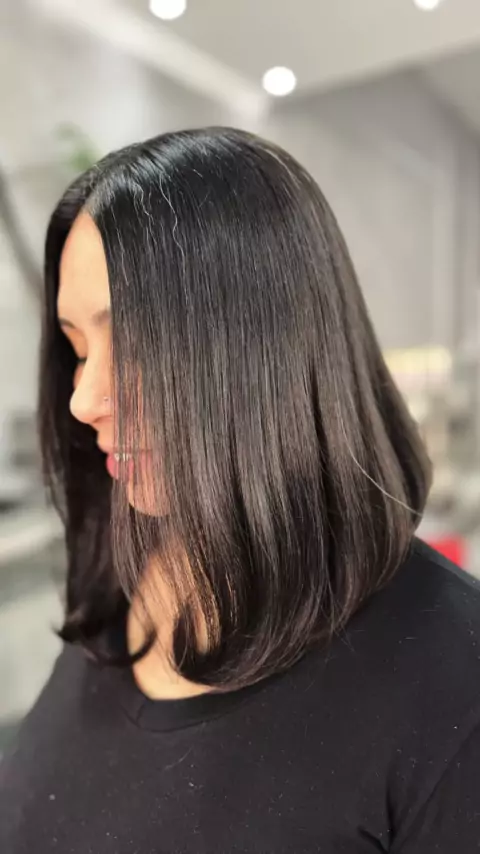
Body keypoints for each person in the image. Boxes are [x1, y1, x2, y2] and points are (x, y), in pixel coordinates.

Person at [1, 127, 480, 853]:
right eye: (77, 348)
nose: (83, 399)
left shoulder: (453, 683)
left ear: (263, 347)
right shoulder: (127, 583)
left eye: (131, 337)